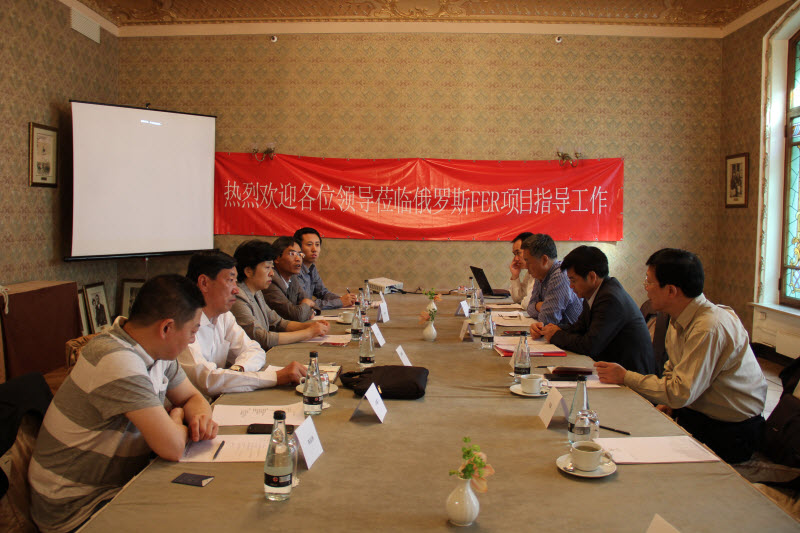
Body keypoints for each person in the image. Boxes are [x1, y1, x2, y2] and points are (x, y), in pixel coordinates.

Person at [29, 275, 218, 532]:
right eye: (193, 331)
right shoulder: (116, 359)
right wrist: (176, 418)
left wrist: (198, 418)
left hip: (118, 484)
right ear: (166, 328)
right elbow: (173, 447)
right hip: (77, 509)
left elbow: (193, 398)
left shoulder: (155, 351)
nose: (193, 340)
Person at [594, 248, 768, 463]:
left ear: (671, 290)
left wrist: (625, 377)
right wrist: (670, 403)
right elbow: (673, 371)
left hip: (731, 430)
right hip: (695, 413)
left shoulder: (708, 327)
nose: (646, 289)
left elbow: (680, 392)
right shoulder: (678, 318)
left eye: (649, 282)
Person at [179, 251, 306, 397]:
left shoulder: (223, 316)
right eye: (230, 280)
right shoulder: (181, 323)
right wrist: (275, 377)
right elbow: (208, 381)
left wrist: (239, 369)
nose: (236, 289)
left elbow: (254, 349)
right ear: (204, 283)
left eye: (235, 281)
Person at [539, 246, 655, 374]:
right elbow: (579, 327)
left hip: (630, 375)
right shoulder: (594, 292)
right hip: (612, 368)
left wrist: (556, 335)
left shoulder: (610, 298)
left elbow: (589, 346)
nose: (571, 286)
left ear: (592, 277)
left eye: (573, 280)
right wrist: (549, 329)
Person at [231, 239, 330, 350]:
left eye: (272, 268)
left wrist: (311, 325)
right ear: (248, 271)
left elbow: (278, 322)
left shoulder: (257, 292)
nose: (272, 273)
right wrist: (308, 333)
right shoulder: (237, 297)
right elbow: (262, 338)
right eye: (267, 267)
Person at [521, 234, 582, 328]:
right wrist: (540, 306)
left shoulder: (560, 275)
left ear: (544, 260)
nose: (526, 266)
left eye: (528, 261)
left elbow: (547, 320)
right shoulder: (540, 275)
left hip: (572, 334)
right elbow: (529, 308)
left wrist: (540, 307)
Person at [294, 227, 357, 310]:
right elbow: (305, 303)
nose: (314, 249)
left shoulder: (312, 267)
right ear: (298, 248)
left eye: (317, 245)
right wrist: (340, 302)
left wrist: (344, 299)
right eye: (309, 244)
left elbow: (323, 293)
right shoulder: (294, 270)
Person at [263, 236, 317, 321]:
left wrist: (307, 309)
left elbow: (312, 303)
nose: (298, 259)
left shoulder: (293, 278)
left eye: (300, 254)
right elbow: (295, 316)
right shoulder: (271, 281)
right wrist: (306, 305)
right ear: (277, 258)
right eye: (292, 254)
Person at [509, 231, 536, 309]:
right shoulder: (529, 273)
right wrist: (515, 276)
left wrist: (525, 302)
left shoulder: (539, 272)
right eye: (514, 254)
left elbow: (527, 303)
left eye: (518, 253)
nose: (516, 259)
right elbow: (518, 299)